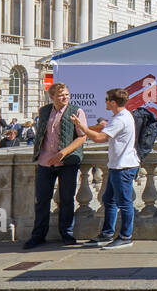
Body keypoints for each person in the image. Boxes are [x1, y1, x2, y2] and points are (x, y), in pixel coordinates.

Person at [23, 83, 89, 250]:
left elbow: (82, 137)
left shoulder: (77, 111)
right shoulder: (44, 111)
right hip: (45, 162)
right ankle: (38, 235)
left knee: (67, 199)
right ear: (52, 97)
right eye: (61, 95)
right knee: (42, 200)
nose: (65, 97)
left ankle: (66, 233)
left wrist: (63, 153)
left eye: (67, 94)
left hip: (67, 162)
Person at [73, 88, 139, 249]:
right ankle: (107, 233)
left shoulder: (120, 119)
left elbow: (99, 138)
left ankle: (125, 236)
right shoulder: (123, 116)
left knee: (124, 203)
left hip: (123, 166)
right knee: (109, 200)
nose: (105, 102)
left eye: (107, 100)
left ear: (113, 102)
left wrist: (82, 127)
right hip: (120, 165)